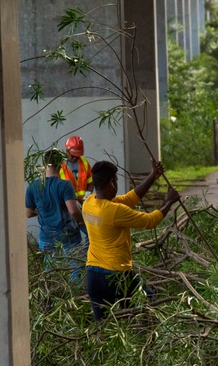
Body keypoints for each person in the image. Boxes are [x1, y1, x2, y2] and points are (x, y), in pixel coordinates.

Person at [83, 160, 181, 320]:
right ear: (111, 183)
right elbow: (149, 221)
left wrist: (153, 176)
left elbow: (130, 198)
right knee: (145, 303)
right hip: (117, 275)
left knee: (103, 325)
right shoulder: (114, 211)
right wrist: (169, 201)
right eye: (115, 180)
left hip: (93, 275)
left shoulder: (88, 203)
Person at [25, 148, 88, 279]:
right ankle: (75, 295)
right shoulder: (65, 185)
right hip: (67, 235)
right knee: (74, 269)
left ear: (44, 163)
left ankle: (53, 293)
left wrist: (43, 209)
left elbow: (28, 212)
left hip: (46, 237)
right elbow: (73, 210)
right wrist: (82, 220)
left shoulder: (33, 186)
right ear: (61, 164)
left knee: (50, 272)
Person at [60, 135, 93, 203]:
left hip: (83, 203)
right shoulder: (59, 165)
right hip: (68, 205)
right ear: (67, 151)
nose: (75, 158)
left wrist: (86, 197)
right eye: (73, 156)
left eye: (78, 156)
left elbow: (91, 182)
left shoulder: (84, 162)